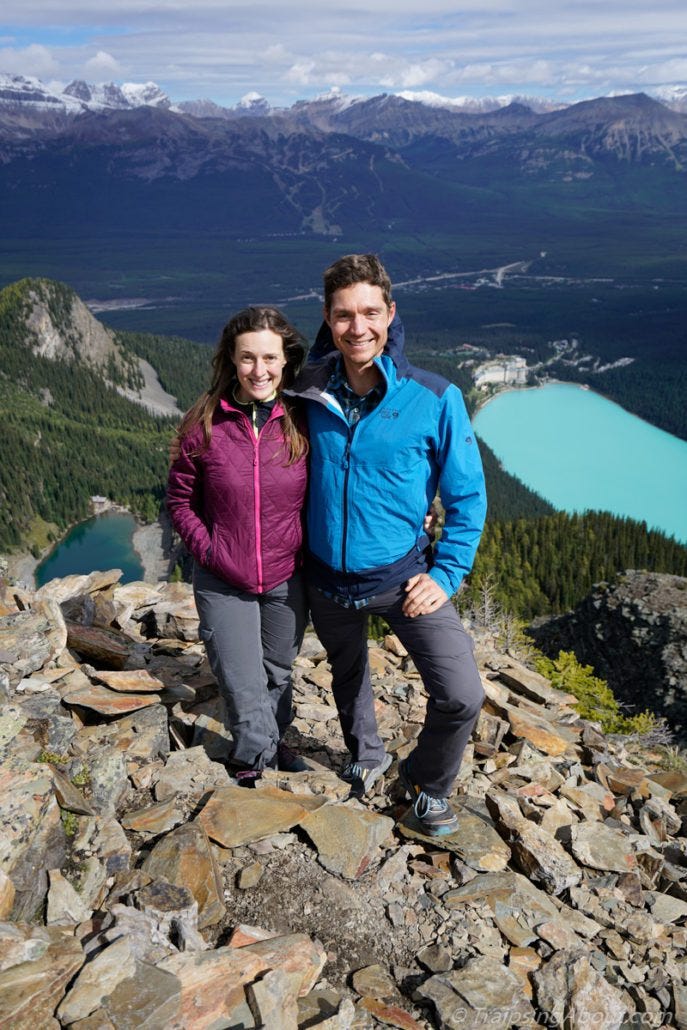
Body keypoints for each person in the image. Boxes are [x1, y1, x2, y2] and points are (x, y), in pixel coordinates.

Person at [287, 253, 487, 835]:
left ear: (391, 313)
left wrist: (446, 574)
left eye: (370, 312)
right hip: (323, 577)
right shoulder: (305, 393)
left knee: (460, 694)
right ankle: (366, 756)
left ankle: (425, 786)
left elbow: (468, 498)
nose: (358, 328)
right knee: (348, 676)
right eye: (345, 315)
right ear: (328, 317)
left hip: (402, 579)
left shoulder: (433, 397)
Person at [166, 306, 310, 784]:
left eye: (270, 358)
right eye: (248, 358)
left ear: (286, 360)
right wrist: (209, 552)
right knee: (242, 680)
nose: (259, 370)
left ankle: (274, 739)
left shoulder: (301, 421)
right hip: (223, 575)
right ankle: (252, 760)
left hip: (287, 574)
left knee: (278, 674)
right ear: (232, 358)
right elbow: (180, 500)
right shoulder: (204, 423)